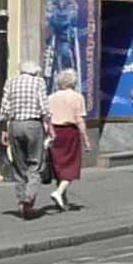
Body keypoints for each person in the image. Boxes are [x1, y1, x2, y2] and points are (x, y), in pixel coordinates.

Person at [0, 56, 51, 217]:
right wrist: (48, 123)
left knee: (19, 166)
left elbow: (4, 109)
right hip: (33, 125)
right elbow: (44, 107)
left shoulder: (10, 82)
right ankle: (29, 196)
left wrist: (3, 130)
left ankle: (21, 201)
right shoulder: (39, 83)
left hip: (15, 125)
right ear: (35, 72)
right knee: (35, 164)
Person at [44, 65, 89, 211]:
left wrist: (47, 134)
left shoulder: (50, 98)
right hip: (70, 132)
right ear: (73, 82)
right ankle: (58, 192)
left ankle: (63, 200)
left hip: (55, 133)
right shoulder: (77, 98)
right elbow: (79, 120)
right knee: (71, 165)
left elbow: (47, 119)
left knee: (58, 166)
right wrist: (86, 139)